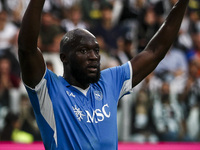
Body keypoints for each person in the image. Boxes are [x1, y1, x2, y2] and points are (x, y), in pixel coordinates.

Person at [17, 0, 189, 149]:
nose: (93, 57)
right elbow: (27, 48)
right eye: (83, 51)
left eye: (96, 51)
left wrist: (182, 3)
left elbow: (154, 52)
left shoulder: (109, 81)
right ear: (64, 58)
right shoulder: (49, 89)